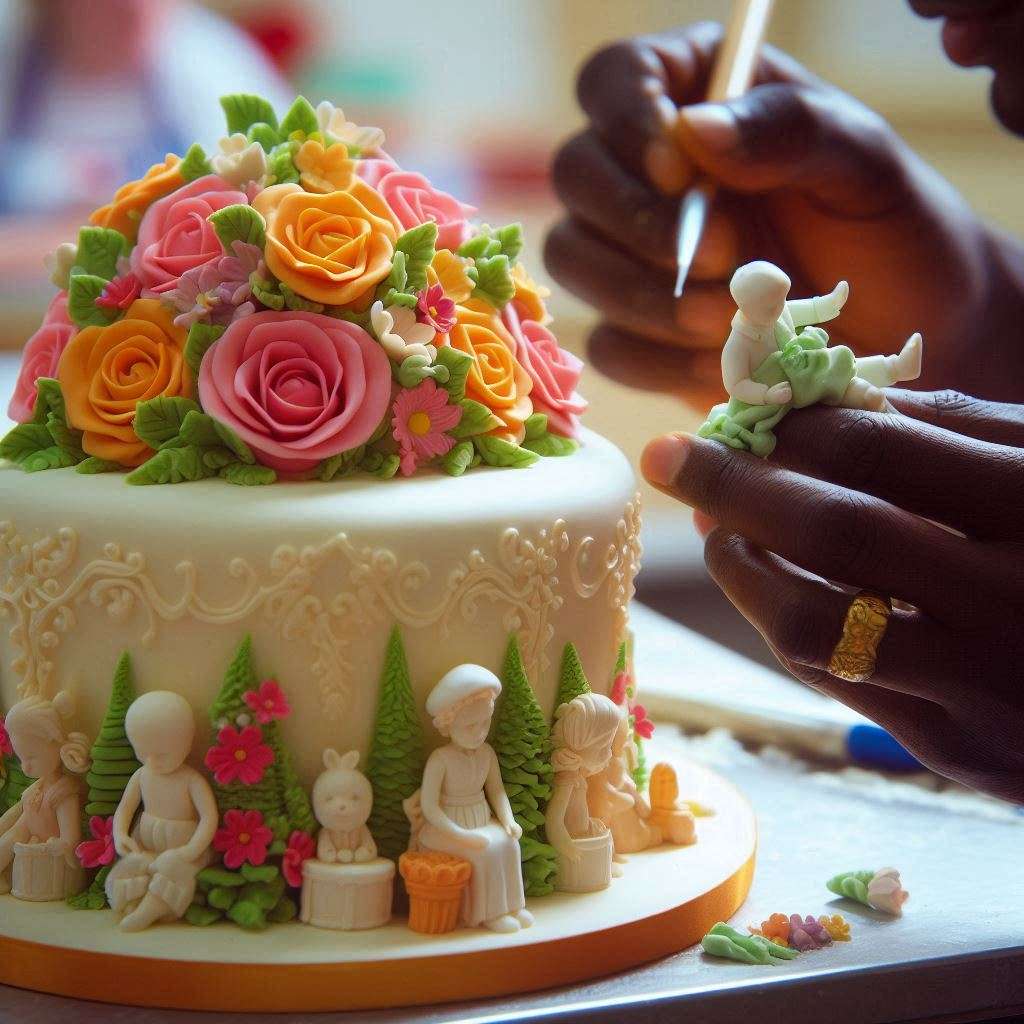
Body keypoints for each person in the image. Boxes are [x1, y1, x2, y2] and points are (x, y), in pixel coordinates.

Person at [545, 6, 1024, 803]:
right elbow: (755, 369)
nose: (936, 19)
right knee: (850, 375)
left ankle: (888, 366)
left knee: (856, 369)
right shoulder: (748, 333)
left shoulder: (781, 322)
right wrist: (995, 316)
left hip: (799, 378)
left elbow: (810, 316)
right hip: (780, 392)